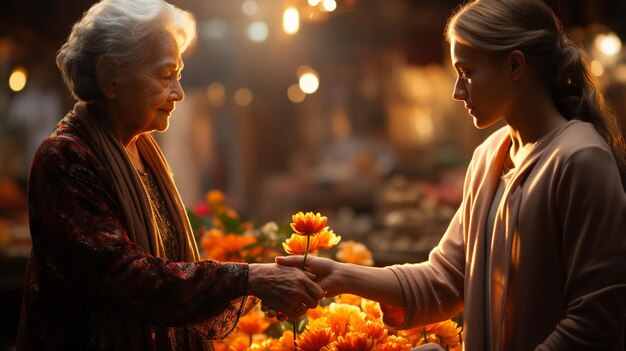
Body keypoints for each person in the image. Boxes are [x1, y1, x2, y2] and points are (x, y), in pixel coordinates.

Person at [277, 0, 626, 349]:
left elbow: (596, 319)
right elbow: (445, 277)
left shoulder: (581, 160)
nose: (458, 92)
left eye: (467, 72)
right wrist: (340, 275)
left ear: (515, 65)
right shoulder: (489, 156)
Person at [17, 0, 323, 350]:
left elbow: (167, 263)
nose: (177, 93)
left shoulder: (142, 150)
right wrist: (249, 279)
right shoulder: (65, 157)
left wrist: (253, 281)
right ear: (109, 76)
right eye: (165, 75)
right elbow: (126, 278)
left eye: (178, 76)